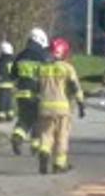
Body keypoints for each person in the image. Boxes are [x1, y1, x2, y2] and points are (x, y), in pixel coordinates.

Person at [35, 37, 84, 174]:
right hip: (62, 107)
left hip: (44, 106)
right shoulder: (67, 68)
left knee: (46, 133)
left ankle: (44, 151)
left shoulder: (42, 68)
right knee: (62, 136)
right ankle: (59, 164)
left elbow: (36, 87)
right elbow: (75, 87)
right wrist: (81, 103)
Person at [10, 28, 49, 155]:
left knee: (24, 119)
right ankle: (35, 145)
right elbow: (46, 76)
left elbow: (13, 75)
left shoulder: (20, 56)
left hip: (21, 94)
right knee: (38, 120)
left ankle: (17, 135)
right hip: (36, 94)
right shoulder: (42, 57)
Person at [0, 40, 16, 122]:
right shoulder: (12, 61)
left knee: (1, 100)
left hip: (2, 84)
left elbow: (1, 73)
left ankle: (1, 115)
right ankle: (10, 115)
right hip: (10, 85)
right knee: (9, 100)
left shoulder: (2, 61)